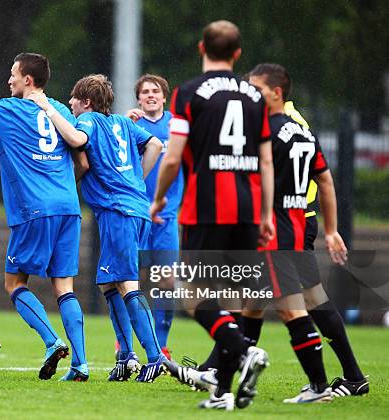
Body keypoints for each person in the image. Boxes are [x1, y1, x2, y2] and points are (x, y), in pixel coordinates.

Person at [150, 21, 273, 410]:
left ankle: (242, 351)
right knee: (232, 297)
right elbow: (266, 160)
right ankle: (221, 390)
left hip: (205, 207)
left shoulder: (189, 92)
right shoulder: (255, 95)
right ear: (237, 54)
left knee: (190, 292)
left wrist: (157, 198)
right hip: (248, 208)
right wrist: (266, 213)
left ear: (202, 46)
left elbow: (172, 156)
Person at [0, 53, 88, 381]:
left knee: (14, 283)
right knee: (64, 286)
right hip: (69, 207)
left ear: (28, 79)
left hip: (34, 209)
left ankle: (52, 342)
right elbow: (82, 163)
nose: (8, 80)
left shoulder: (8, 110)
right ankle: (81, 364)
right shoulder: (60, 110)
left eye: (13, 74)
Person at [28, 74, 169, 383]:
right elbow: (156, 144)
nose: (69, 104)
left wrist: (48, 109)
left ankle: (155, 357)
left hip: (119, 211)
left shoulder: (89, 122)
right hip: (129, 208)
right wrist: (136, 182)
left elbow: (77, 141)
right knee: (109, 283)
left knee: (128, 284)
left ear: (87, 102)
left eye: (73, 99)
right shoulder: (123, 123)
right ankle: (125, 356)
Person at [241, 64, 367, 401]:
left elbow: (253, 179)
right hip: (299, 223)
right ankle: (353, 376)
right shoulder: (302, 130)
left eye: (257, 89)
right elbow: (325, 179)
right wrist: (332, 230)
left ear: (276, 92)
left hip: (276, 227)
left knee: (289, 308)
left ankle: (318, 386)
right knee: (280, 301)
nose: (251, 95)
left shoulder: (264, 131)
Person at [125, 74, 184, 360]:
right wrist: (126, 126)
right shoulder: (130, 125)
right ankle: (125, 343)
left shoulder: (177, 126)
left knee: (167, 282)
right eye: (145, 91)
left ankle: (161, 345)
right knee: (130, 281)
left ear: (164, 97)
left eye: (155, 91)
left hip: (167, 218)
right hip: (137, 215)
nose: (150, 95)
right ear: (138, 98)